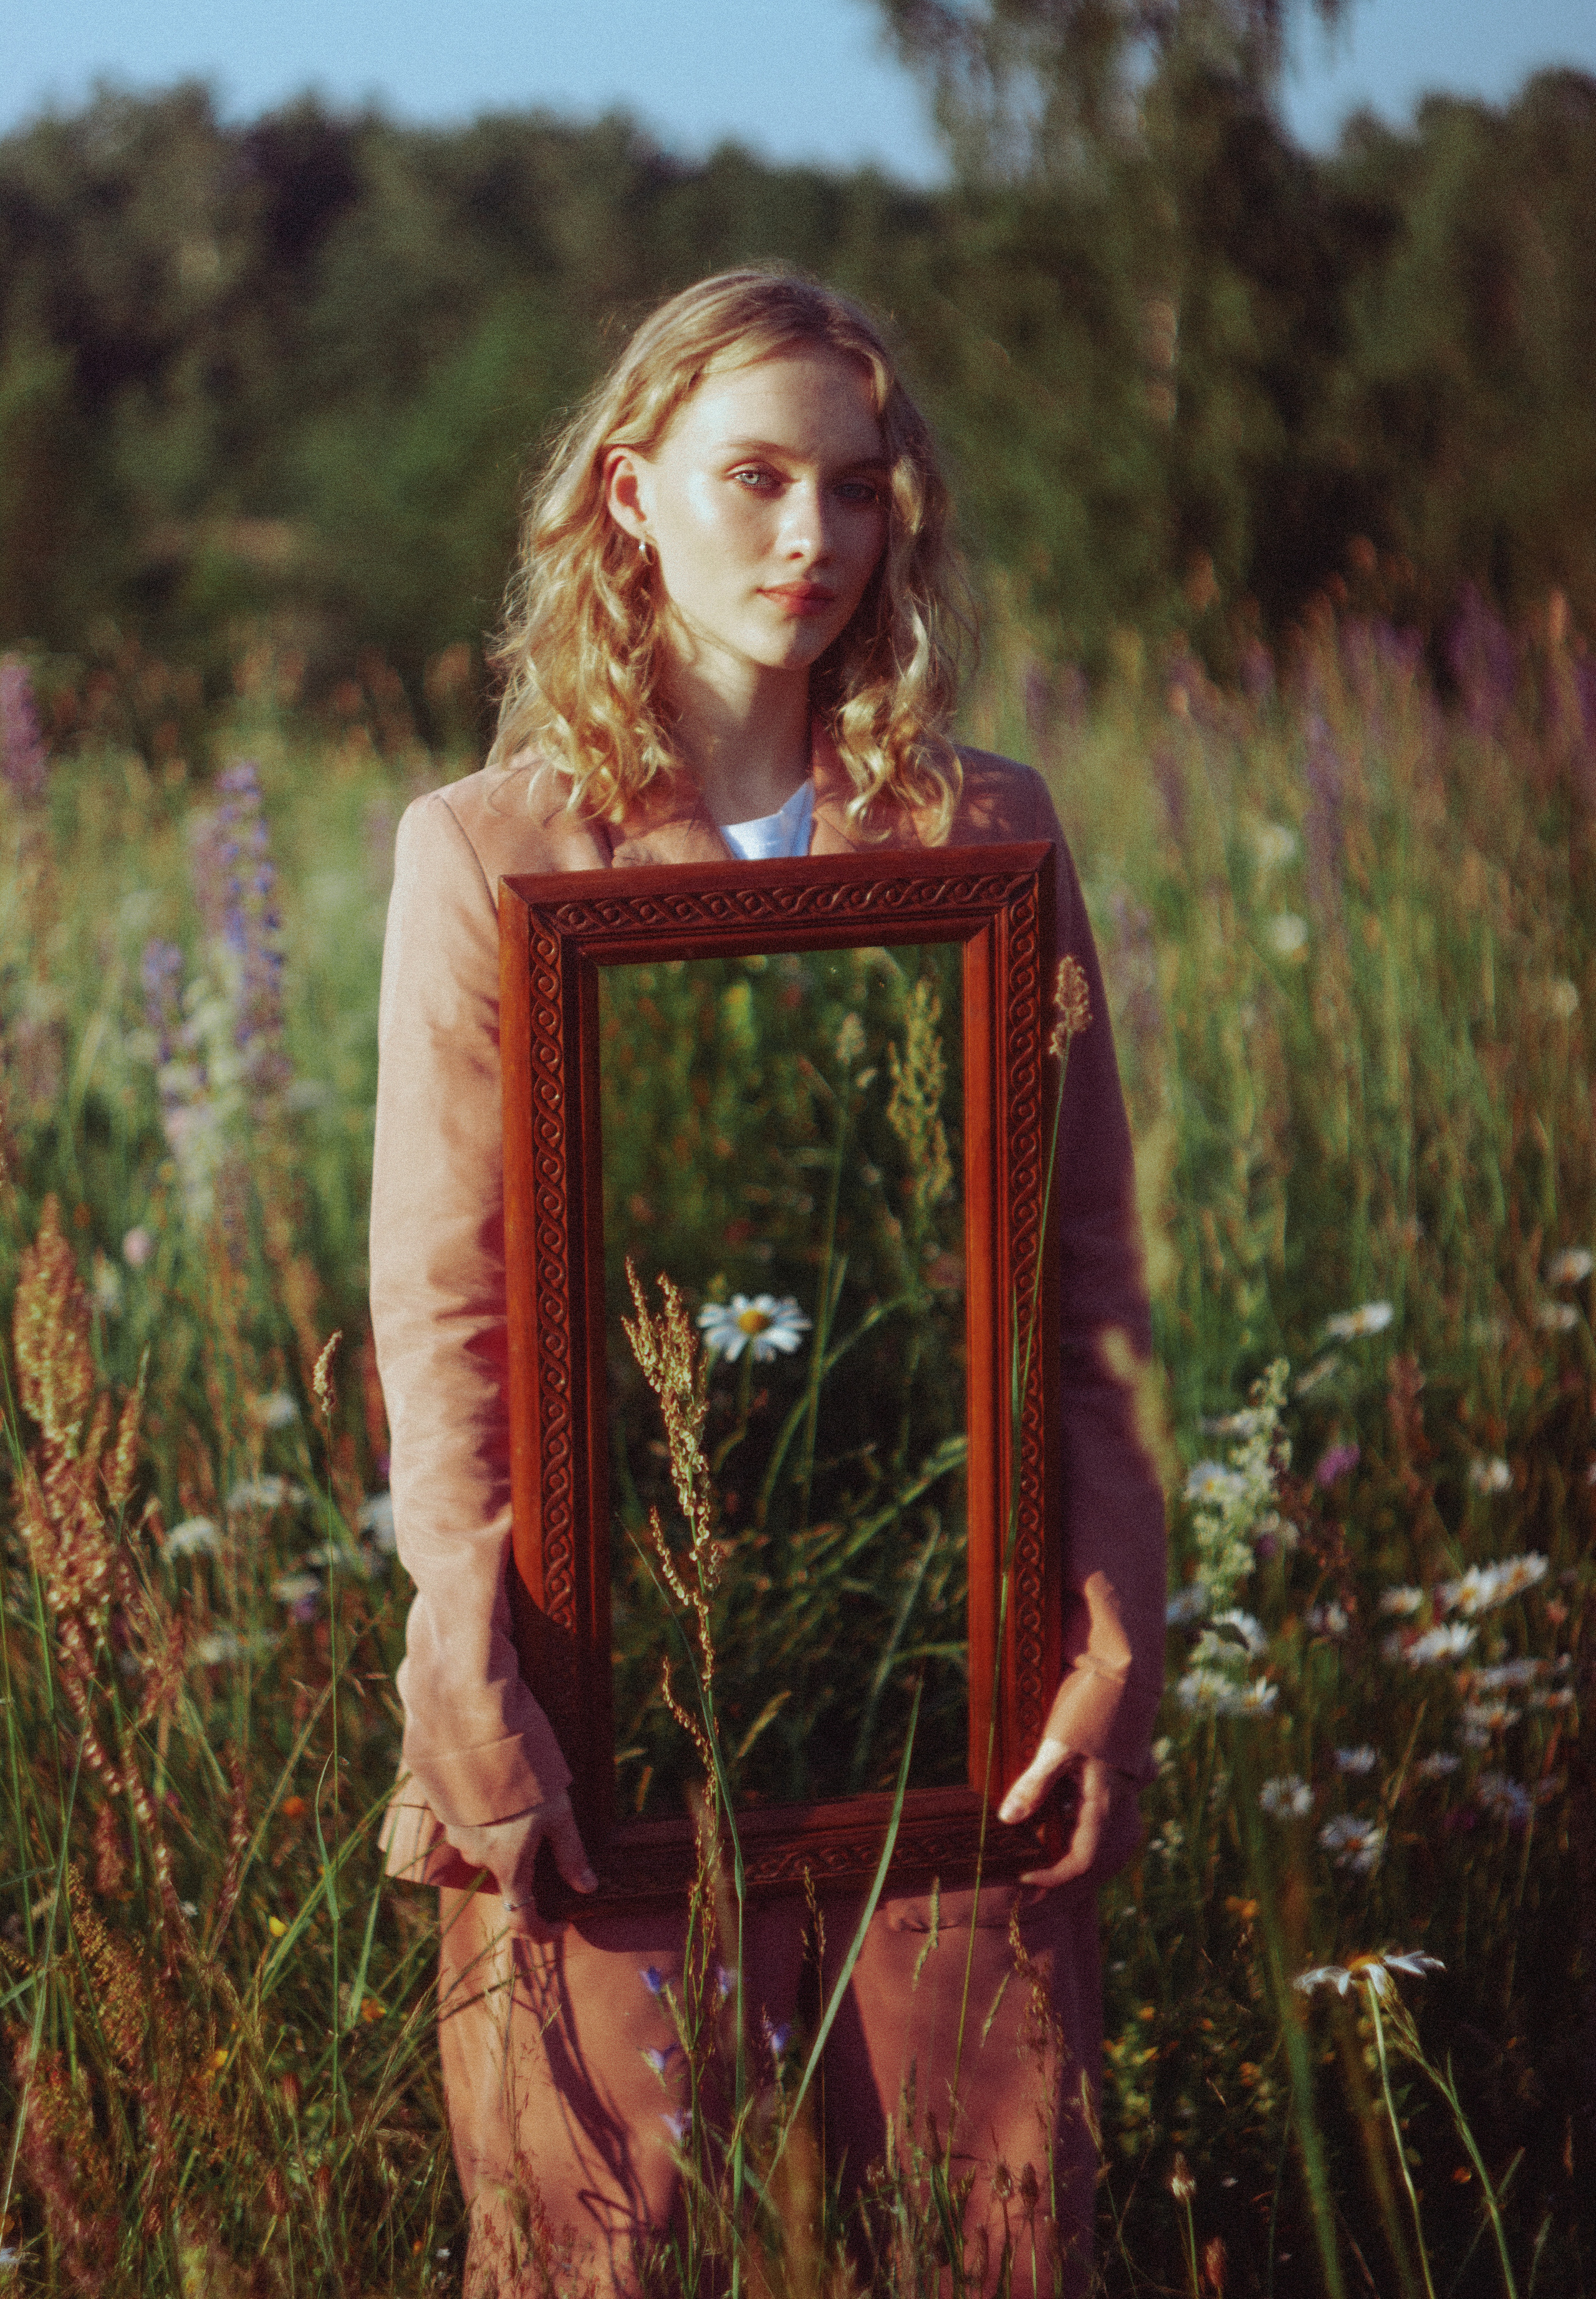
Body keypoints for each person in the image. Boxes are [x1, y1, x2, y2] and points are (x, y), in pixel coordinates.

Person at [370, 268, 1166, 2297]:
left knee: (977, 2241)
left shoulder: (982, 831)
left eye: (859, 487)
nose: (814, 539)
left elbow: (1084, 1293)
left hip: (950, 1719)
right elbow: (447, 1332)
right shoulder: (490, 851)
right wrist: (473, 1680)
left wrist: (1111, 1632)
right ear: (630, 496)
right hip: (603, 1720)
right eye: (756, 480)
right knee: (615, 2250)